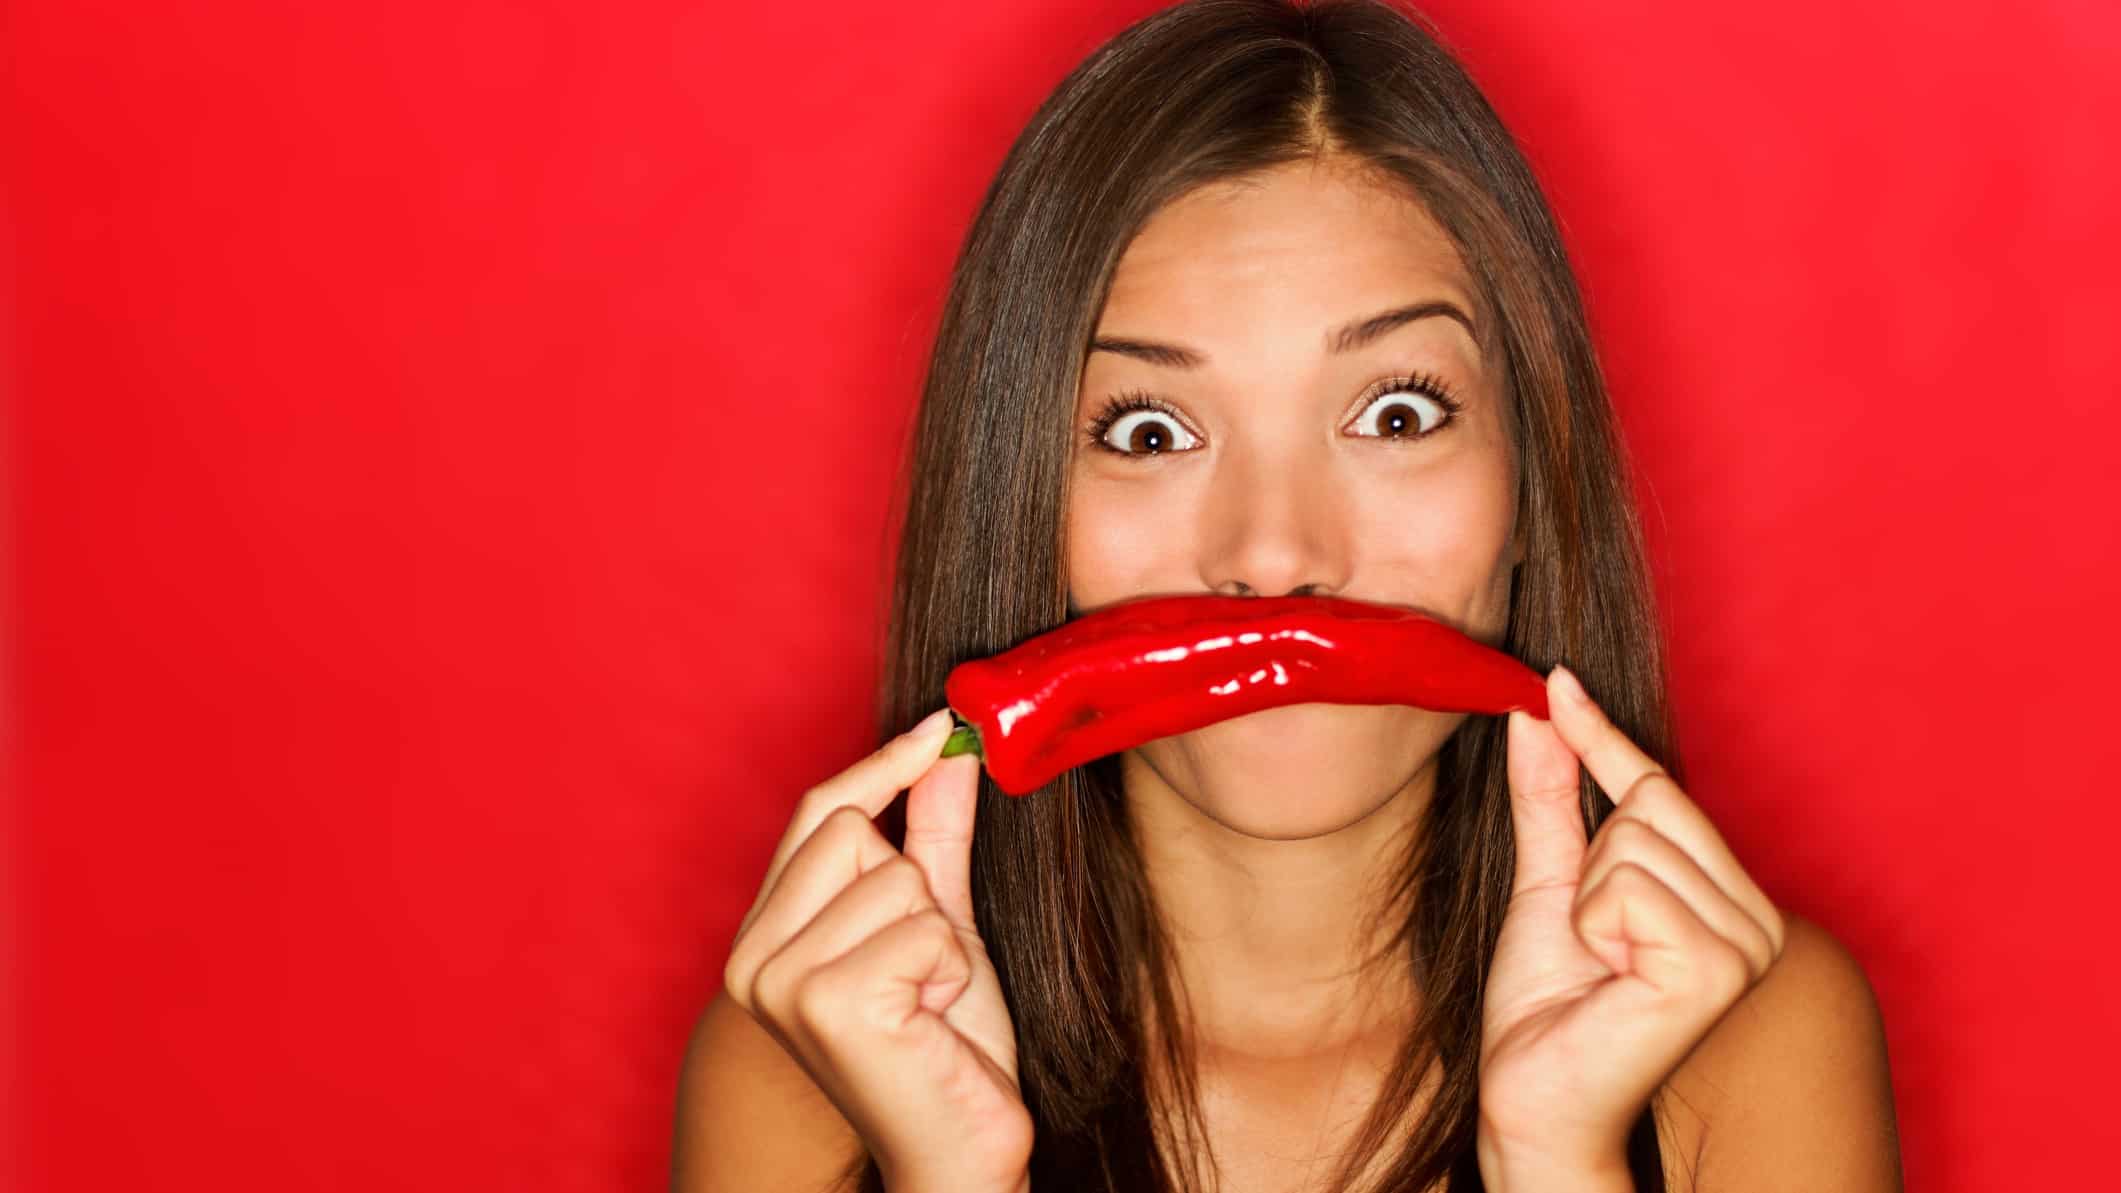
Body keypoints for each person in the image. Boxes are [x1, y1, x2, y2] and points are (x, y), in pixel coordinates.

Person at [671, 0, 1903, 1189]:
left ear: (1535, 485)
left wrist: (1556, 1165)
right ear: (1021, 509)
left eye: (1396, 413)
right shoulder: (811, 1069)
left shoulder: (1750, 1041)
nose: (1274, 554)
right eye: (1150, 431)